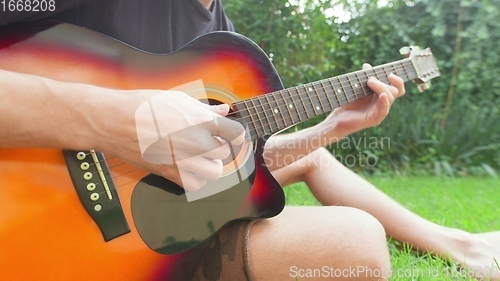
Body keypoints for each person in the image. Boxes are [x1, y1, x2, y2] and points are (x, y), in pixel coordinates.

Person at [0, 1, 497, 280]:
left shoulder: (221, 35)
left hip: (147, 219)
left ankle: (465, 247)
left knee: (351, 245)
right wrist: (110, 118)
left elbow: (225, 168)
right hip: (34, 207)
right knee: (355, 244)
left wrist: (332, 128)